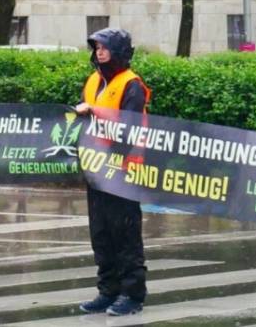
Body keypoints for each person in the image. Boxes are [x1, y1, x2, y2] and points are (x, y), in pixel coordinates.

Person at [75, 28, 151, 316]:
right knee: (101, 233)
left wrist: (92, 112)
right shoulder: (94, 81)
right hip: (96, 170)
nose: (99, 52)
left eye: (104, 47)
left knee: (125, 235)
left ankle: (132, 294)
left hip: (123, 171)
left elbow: (128, 128)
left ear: (118, 51)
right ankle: (108, 290)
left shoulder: (132, 85)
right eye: (96, 47)